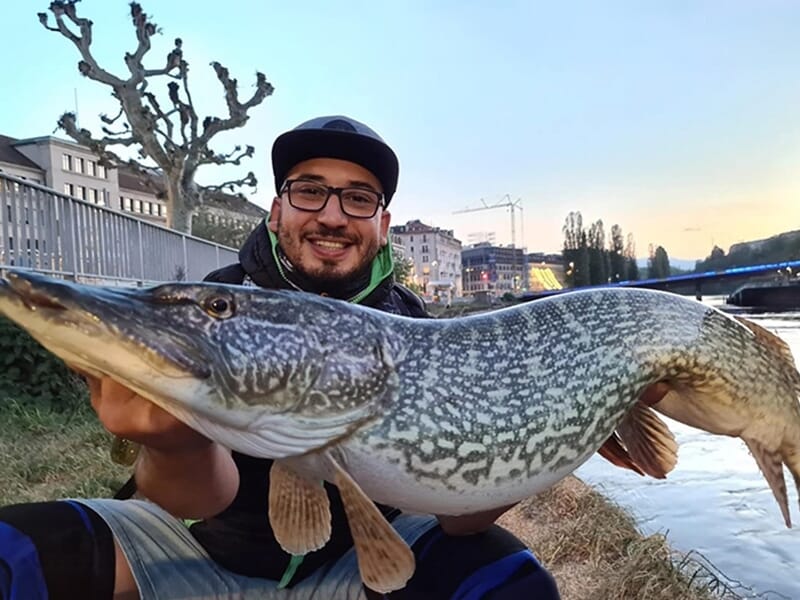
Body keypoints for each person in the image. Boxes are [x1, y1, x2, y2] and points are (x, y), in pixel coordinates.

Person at [0, 115, 560, 600]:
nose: (333, 215)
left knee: (512, 582)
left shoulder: (409, 324)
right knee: (13, 552)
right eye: (309, 190)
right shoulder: (222, 295)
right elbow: (189, 500)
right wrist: (173, 440)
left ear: (382, 226)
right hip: (200, 559)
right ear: (276, 211)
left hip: (361, 573)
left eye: (359, 197)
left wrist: (555, 433)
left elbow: (460, 517)